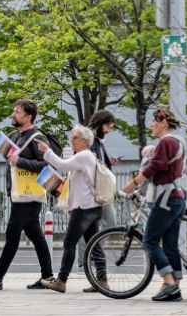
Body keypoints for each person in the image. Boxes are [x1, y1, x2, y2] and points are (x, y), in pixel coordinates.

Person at [0, 99, 63, 291]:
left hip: (29, 193)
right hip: (20, 193)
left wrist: (21, 161)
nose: (13, 115)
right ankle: (48, 277)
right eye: (14, 111)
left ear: (28, 116)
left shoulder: (37, 138)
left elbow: (48, 165)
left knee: (12, 233)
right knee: (35, 233)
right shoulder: (14, 136)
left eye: (17, 112)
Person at [120, 108, 187, 302]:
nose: (151, 125)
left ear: (163, 122)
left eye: (154, 121)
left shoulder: (166, 141)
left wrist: (131, 185)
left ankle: (169, 283)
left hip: (165, 199)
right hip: (176, 197)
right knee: (171, 246)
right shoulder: (179, 140)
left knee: (149, 241)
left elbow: (153, 167)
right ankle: (174, 287)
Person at [34, 125, 107, 293]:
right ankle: (102, 280)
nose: (71, 140)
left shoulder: (83, 156)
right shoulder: (86, 157)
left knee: (69, 242)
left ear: (85, 141)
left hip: (84, 209)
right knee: (93, 244)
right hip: (92, 207)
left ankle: (61, 281)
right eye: (72, 137)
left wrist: (46, 150)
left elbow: (62, 164)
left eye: (75, 138)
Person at [74, 109, 118, 292]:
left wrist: (109, 163)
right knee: (100, 230)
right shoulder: (90, 140)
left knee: (96, 233)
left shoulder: (98, 141)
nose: (108, 130)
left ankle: (96, 271)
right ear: (100, 123)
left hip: (100, 192)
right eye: (107, 126)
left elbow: (98, 164)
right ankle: (93, 267)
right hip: (95, 194)